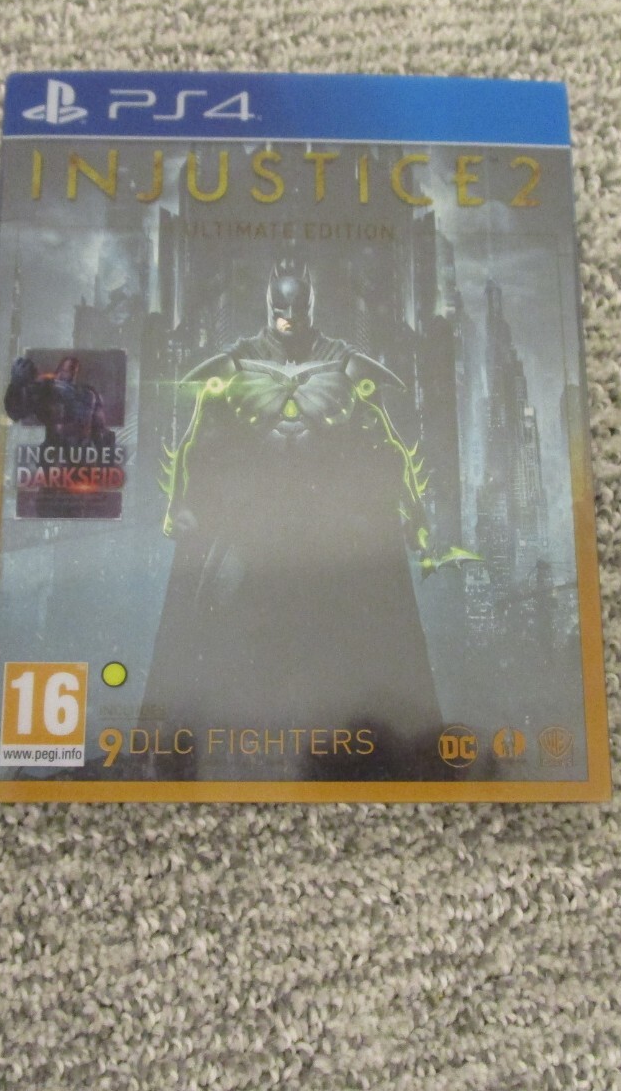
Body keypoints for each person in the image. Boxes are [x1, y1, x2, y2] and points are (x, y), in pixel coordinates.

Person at [143, 260, 472, 778]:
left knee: (353, 643)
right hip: (252, 528)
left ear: (311, 305)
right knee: (219, 630)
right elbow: (200, 440)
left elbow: (385, 444)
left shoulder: (346, 366)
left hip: (331, 534)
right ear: (269, 304)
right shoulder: (236, 366)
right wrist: (182, 504)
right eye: (281, 308)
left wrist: (410, 511)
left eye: (297, 307)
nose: (289, 317)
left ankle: (378, 753)